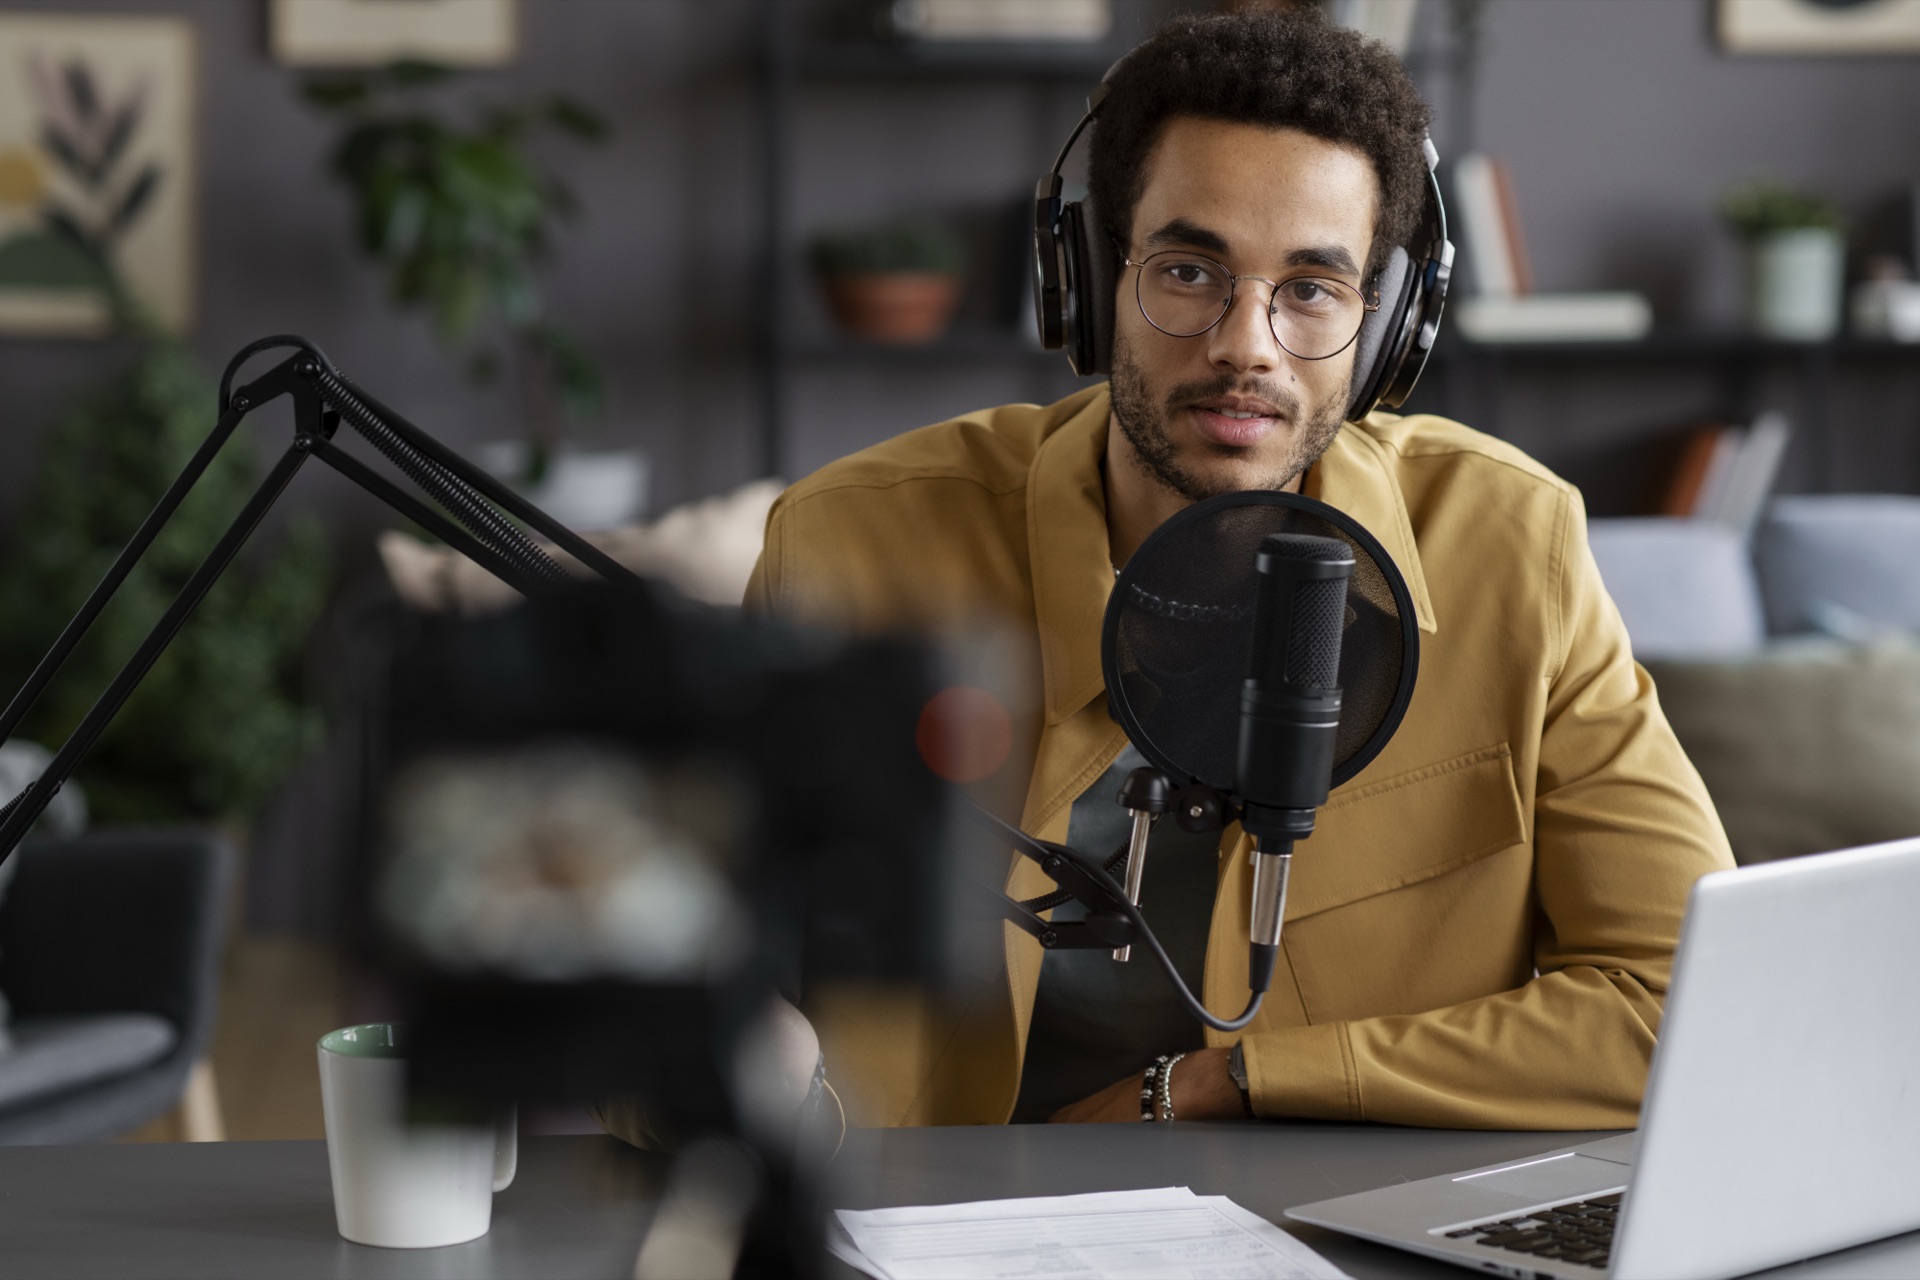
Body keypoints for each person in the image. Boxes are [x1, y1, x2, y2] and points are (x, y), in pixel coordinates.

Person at [599, 8, 1734, 1145]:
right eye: (1191, 271)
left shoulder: (1513, 545)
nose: (1247, 342)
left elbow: (1689, 1003)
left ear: (1385, 331)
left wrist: (1220, 1080)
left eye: (1311, 289)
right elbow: (662, 978)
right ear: (1088, 282)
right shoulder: (852, 540)